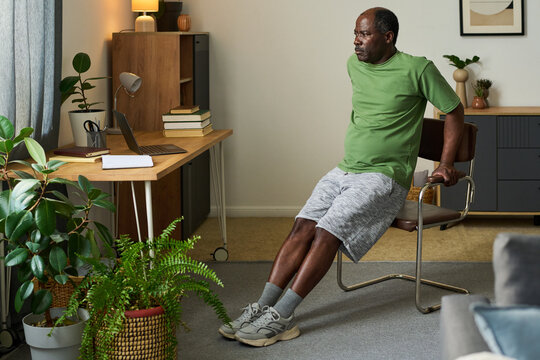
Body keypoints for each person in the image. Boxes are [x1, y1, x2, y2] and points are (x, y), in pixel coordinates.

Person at [219, 7, 464, 347]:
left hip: (384, 177)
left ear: (388, 37)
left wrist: (446, 162)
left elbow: (454, 110)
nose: (356, 41)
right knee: (302, 226)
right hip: (345, 169)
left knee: (326, 231)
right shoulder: (355, 65)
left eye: (364, 34)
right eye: (356, 33)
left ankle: (284, 316)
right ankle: (262, 307)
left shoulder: (417, 68)